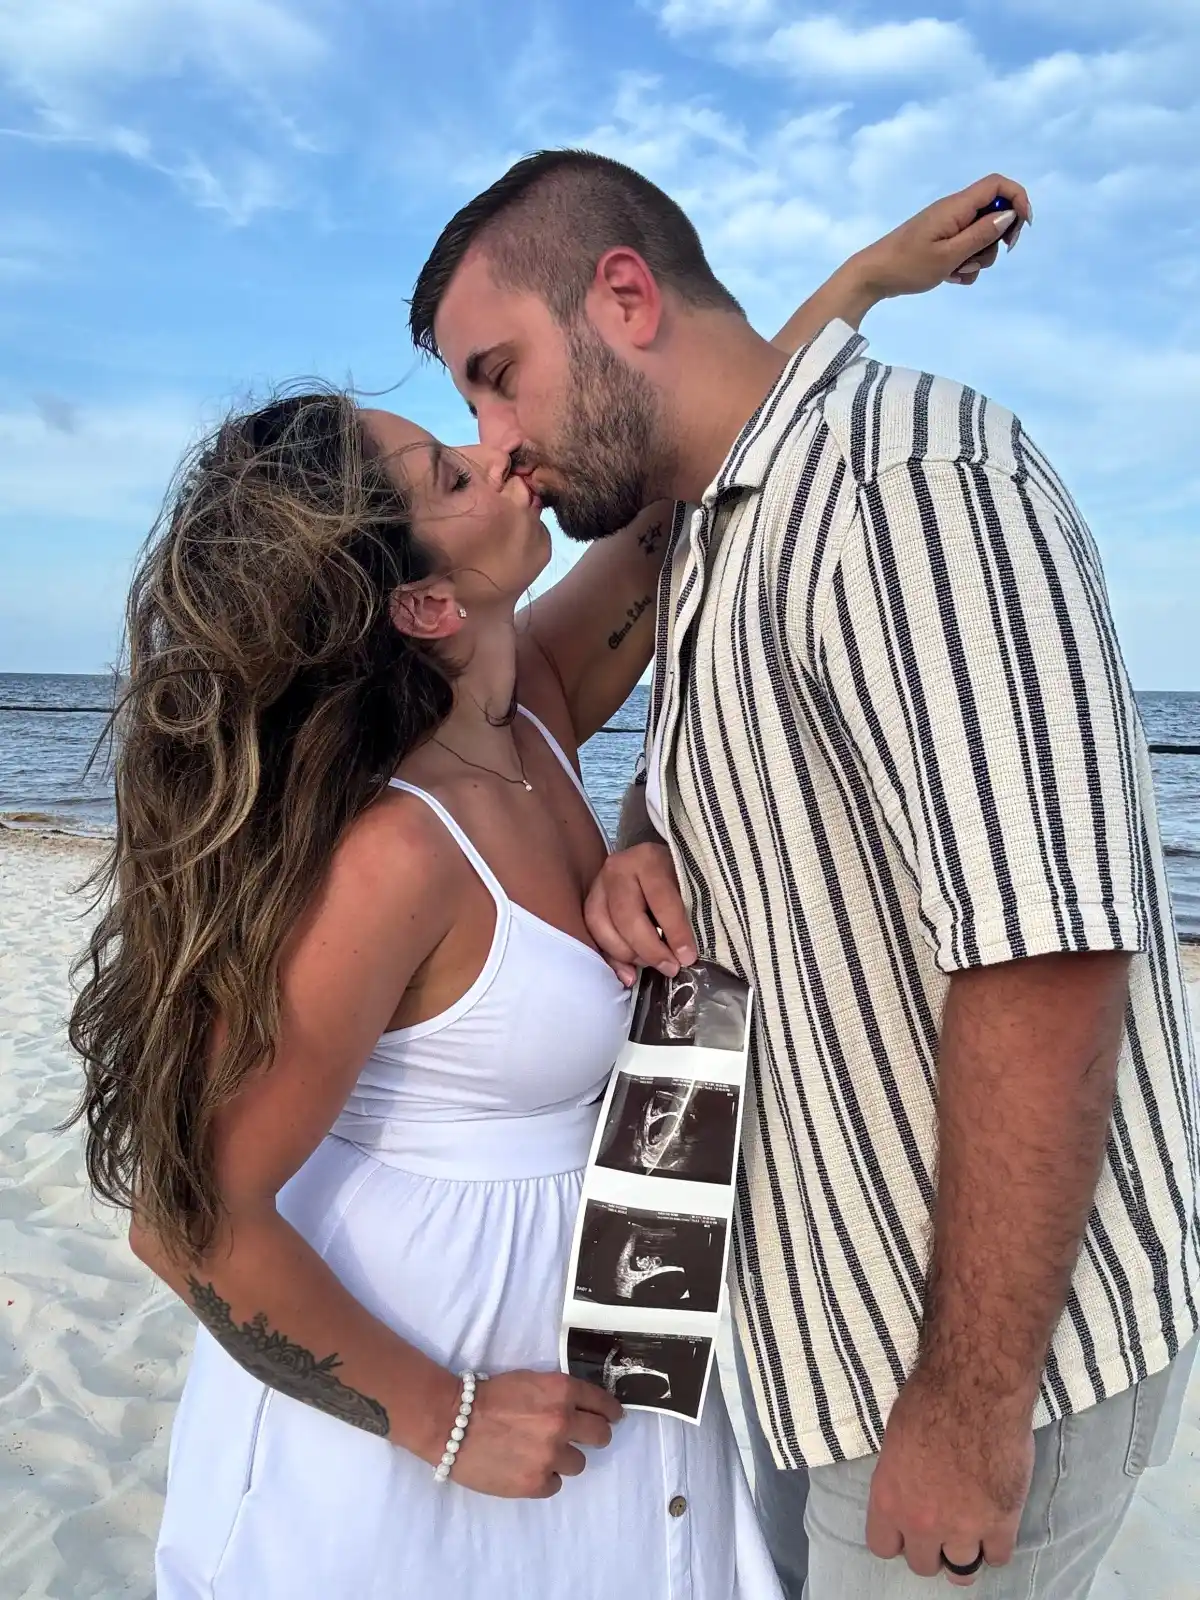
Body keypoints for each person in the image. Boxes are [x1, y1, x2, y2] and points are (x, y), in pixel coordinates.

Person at [67, 203, 998, 1598]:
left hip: (599, 1386)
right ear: (427, 608)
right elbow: (186, 1216)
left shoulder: (536, 716)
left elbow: (697, 468)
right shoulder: (392, 854)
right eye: (454, 473)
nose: (501, 451)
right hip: (425, 1432)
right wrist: (439, 1418)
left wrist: (858, 286)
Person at [410, 149, 1200, 1599]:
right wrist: (644, 842)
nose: (498, 442)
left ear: (626, 297)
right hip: (810, 1345)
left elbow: (1046, 955)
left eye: (497, 378)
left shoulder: (907, 485)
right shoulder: (720, 533)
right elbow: (767, 793)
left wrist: (967, 1405)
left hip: (974, 1372)